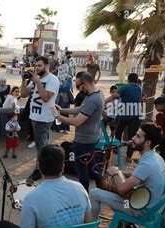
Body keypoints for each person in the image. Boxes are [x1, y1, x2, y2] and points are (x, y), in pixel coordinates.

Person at [0, 145, 93, 228]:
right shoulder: (79, 187)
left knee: (2, 226)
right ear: (63, 167)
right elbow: (88, 223)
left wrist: (30, 222)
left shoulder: (32, 198)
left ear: (40, 168)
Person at [90, 124, 165, 228]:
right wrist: (120, 172)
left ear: (147, 142)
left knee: (95, 193)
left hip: (141, 210)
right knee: (112, 188)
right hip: (149, 204)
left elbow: (122, 189)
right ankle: (128, 225)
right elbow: (138, 177)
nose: (133, 139)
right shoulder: (155, 157)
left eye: (138, 136)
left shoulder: (147, 164)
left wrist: (115, 174)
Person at [55, 72, 103, 192]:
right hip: (91, 137)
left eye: (78, 86)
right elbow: (80, 109)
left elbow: (77, 121)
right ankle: (101, 187)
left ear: (85, 84)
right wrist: (62, 110)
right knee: (92, 166)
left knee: (81, 169)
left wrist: (58, 117)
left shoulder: (93, 99)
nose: (78, 90)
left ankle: (84, 194)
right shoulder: (96, 94)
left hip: (84, 140)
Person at [20, 56, 61, 184]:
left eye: (39, 65)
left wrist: (37, 82)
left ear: (47, 66)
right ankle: (45, 169)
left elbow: (45, 98)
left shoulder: (52, 80)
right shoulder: (36, 79)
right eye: (35, 66)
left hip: (44, 119)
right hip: (34, 117)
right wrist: (23, 80)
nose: (36, 68)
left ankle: (40, 171)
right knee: (41, 145)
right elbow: (23, 94)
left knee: (41, 147)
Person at [105, 73, 143, 163]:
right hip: (135, 116)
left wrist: (104, 101)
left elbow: (115, 96)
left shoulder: (126, 87)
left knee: (118, 132)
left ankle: (116, 150)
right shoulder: (139, 88)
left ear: (128, 80)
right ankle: (129, 156)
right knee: (132, 136)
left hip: (124, 114)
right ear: (137, 80)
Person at [53, 63, 73, 134]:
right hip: (57, 97)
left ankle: (65, 128)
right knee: (57, 111)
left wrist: (61, 87)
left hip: (65, 98)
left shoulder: (69, 77)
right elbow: (56, 87)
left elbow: (67, 88)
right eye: (61, 69)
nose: (62, 71)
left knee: (65, 112)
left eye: (63, 69)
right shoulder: (57, 77)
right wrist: (63, 86)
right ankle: (57, 128)